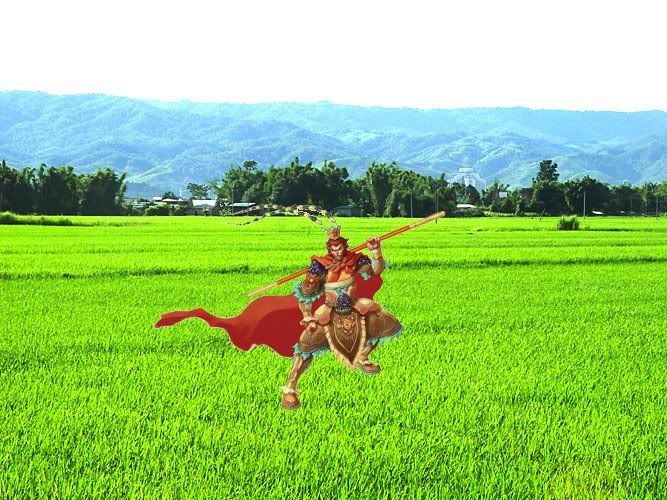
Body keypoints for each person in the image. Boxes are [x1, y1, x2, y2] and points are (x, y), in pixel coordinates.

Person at [282, 225, 402, 409]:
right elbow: (306, 294)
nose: (337, 252)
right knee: (306, 343)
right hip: (329, 309)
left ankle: (363, 356)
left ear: (344, 246)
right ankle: (290, 387)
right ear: (329, 249)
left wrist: (376, 251)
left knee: (382, 320)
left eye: (340, 248)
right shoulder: (320, 265)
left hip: (353, 304)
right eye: (334, 249)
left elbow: (376, 270)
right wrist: (307, 315)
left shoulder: (354, 259)